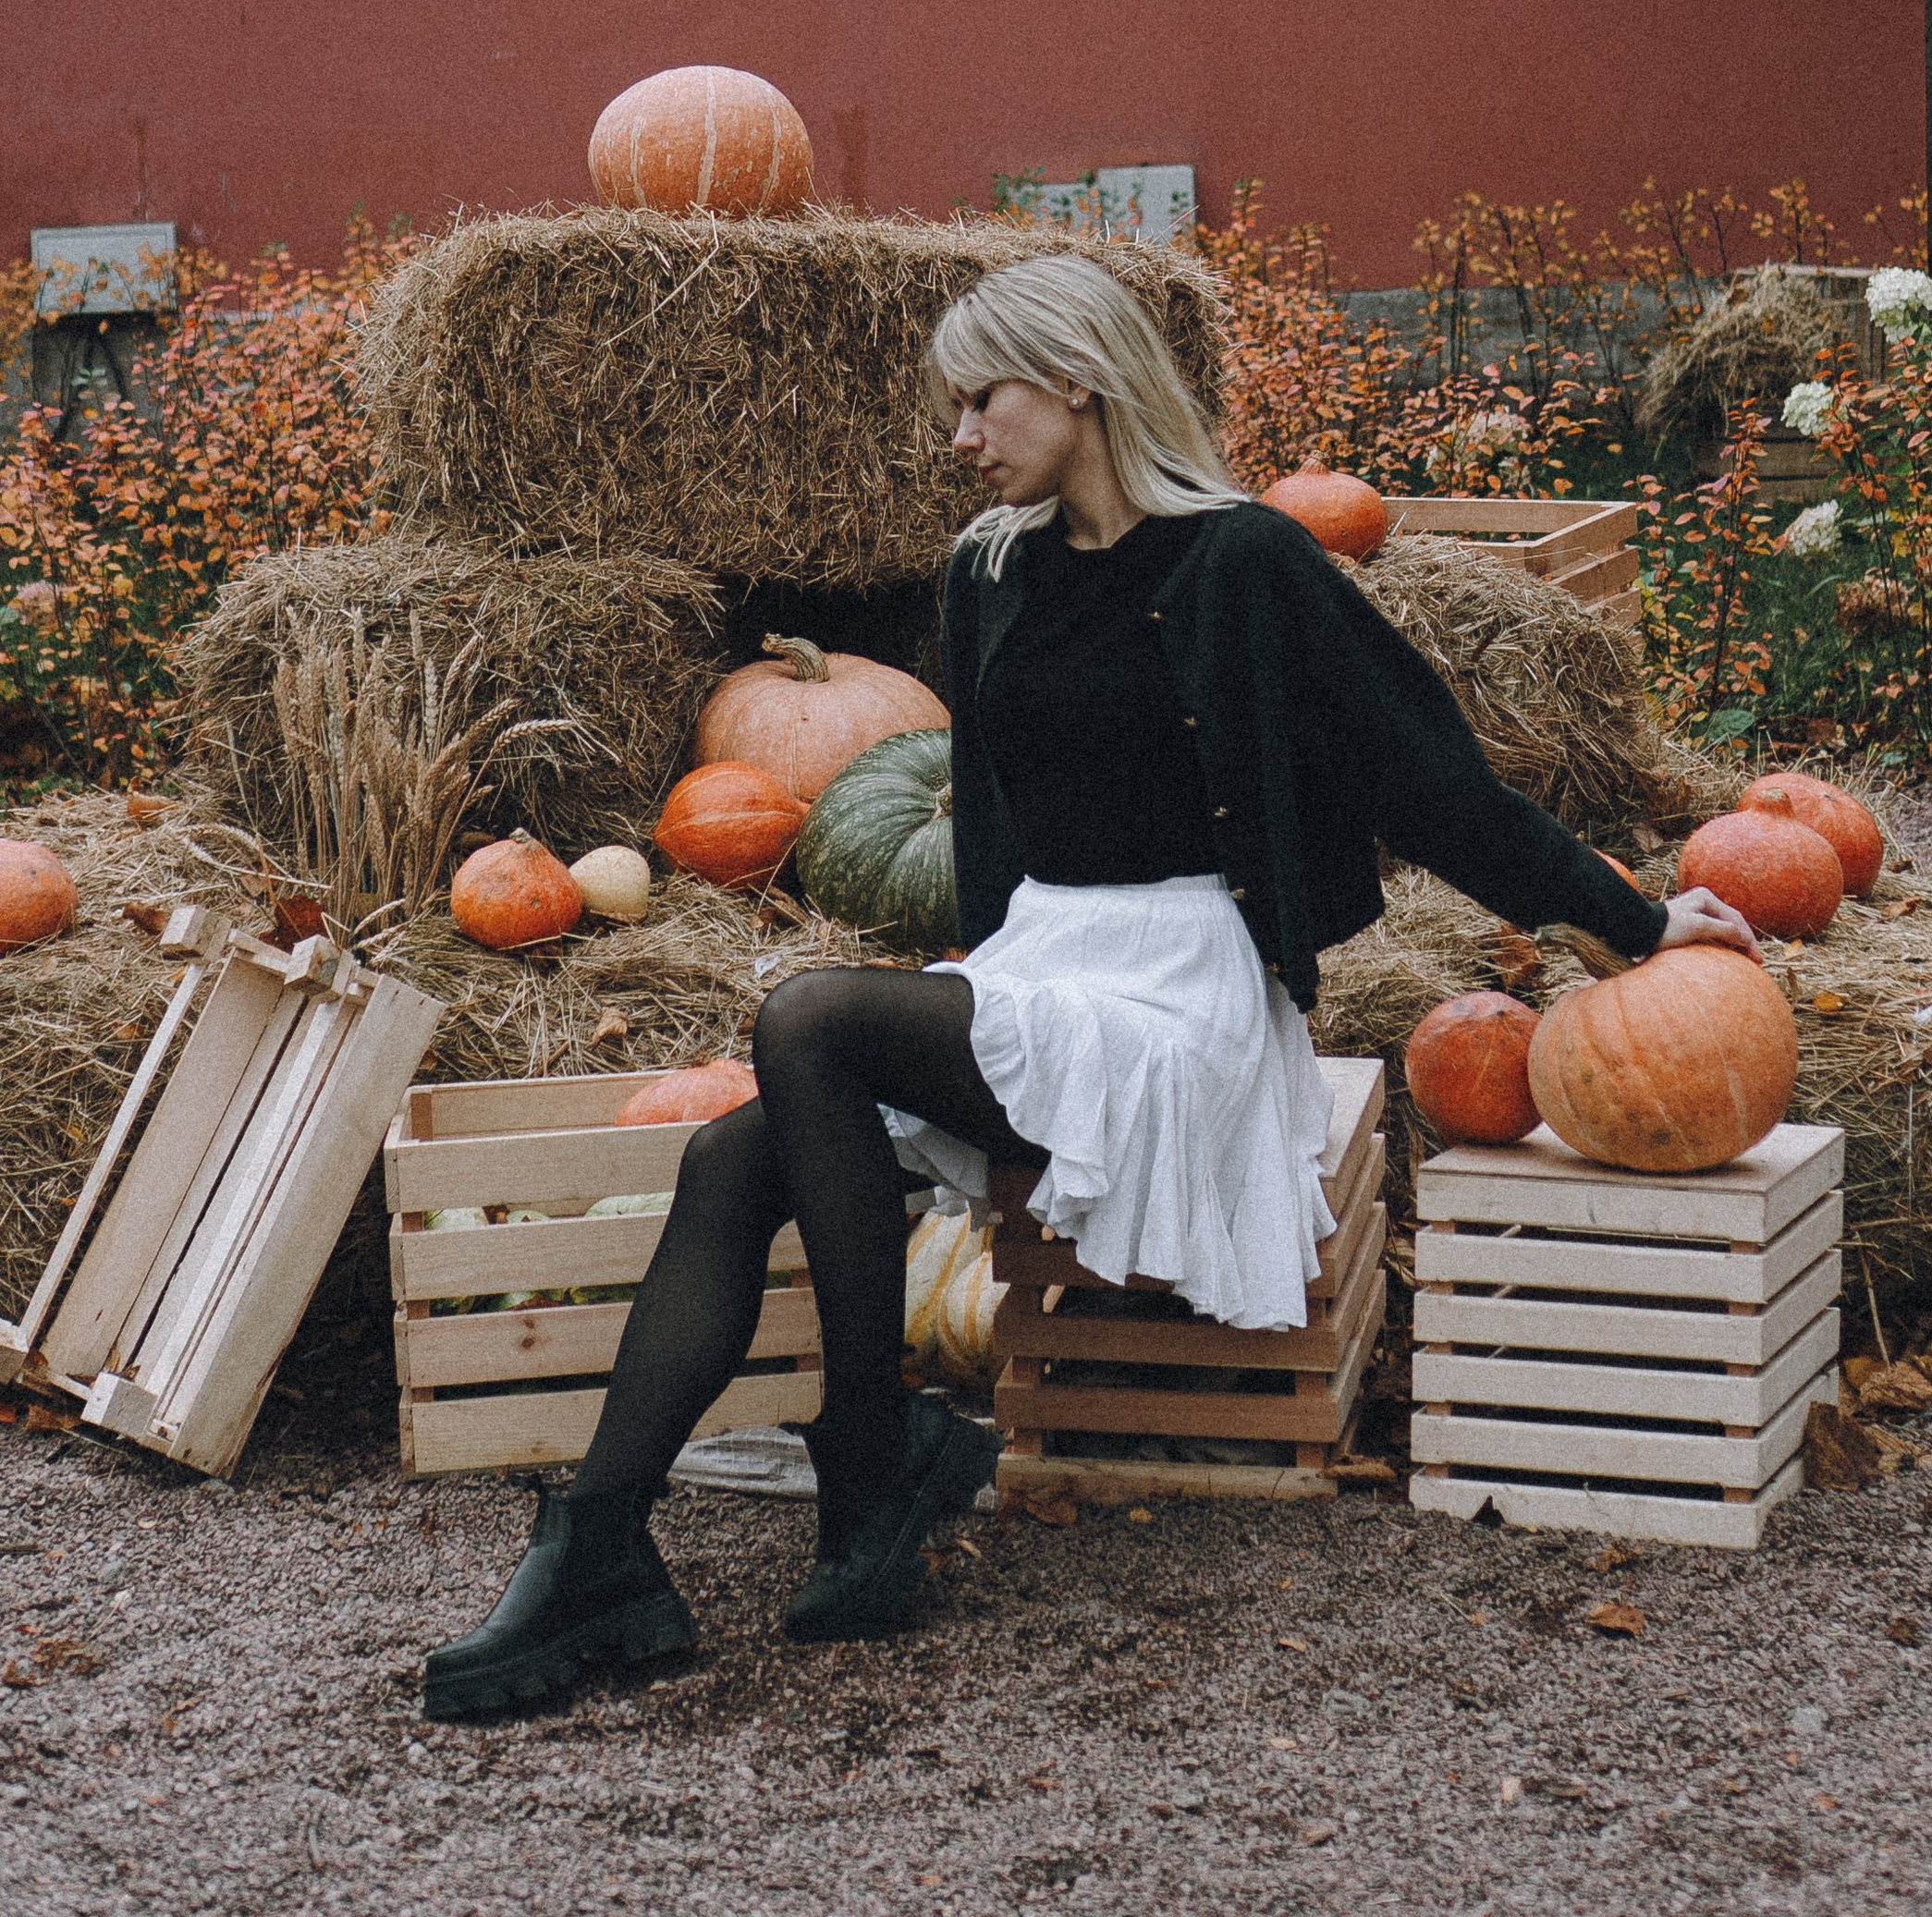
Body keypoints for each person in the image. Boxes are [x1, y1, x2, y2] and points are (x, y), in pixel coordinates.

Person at [422, 254, 1757, 1716]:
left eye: (979, 398)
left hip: (1183, 993)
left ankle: (869, 1457)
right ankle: (609, 1543)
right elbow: (995, 825)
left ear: (1078, 380)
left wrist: (1633, 925)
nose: (959, 437)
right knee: (736, 1152)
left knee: (809, 1012)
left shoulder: (1248, 563)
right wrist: (974, 988)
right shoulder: (986, 567)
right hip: (1043, 973)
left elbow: (1434, 785)